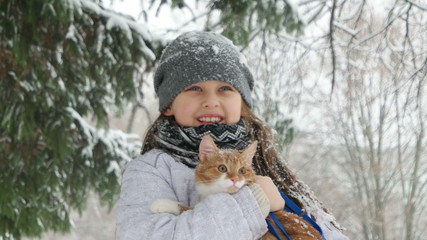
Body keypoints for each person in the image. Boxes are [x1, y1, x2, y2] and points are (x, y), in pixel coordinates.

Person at [117, 31, 349, 240]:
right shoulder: (151, 170)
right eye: (194, 88)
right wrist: (253, 200)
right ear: (168, 105)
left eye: (225, 89)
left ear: (243, 103)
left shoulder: (265, 161)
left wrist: (285, 210)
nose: (210, 101)